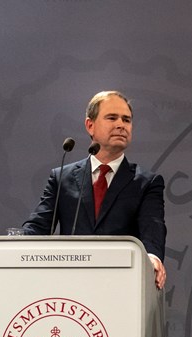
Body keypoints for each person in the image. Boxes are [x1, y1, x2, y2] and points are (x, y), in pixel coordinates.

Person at [21, 90, 167, 289]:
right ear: (90, 125)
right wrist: (16, 247)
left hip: (120, 285)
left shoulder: (146, 182)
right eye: (112, 118)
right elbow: (38, 227)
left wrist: (152, 257)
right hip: (68, 286)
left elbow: (153, 227)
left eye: (127, 120)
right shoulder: (62, 177)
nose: (121, 125)